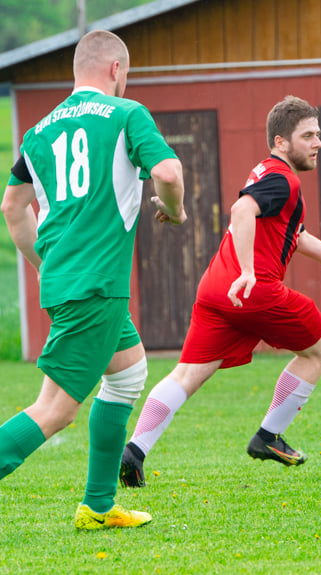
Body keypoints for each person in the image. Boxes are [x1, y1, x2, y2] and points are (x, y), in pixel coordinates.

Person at [118, 95, 321, 488]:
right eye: (308, 135)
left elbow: (296, 236)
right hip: (253, 289)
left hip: (216, 289)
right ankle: (268, 436)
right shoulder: (283, 178)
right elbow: (242, 211)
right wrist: (248, 271)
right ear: (281, 142)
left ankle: (135, 452)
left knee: (188, 373)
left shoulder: (267, 172)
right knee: (318, 349)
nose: (318, 143)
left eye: (319, 134)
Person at [0, 30, 186, 529]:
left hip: (73, 281)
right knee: (54, 410)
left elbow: (12, 207)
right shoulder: (126, 114)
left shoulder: (37, 132)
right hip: (97, 286)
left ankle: (99, 506)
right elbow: (168, 173)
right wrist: (177, 212)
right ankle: (97, 506)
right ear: (116, 71)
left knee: (126, 375)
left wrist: (45, 265)